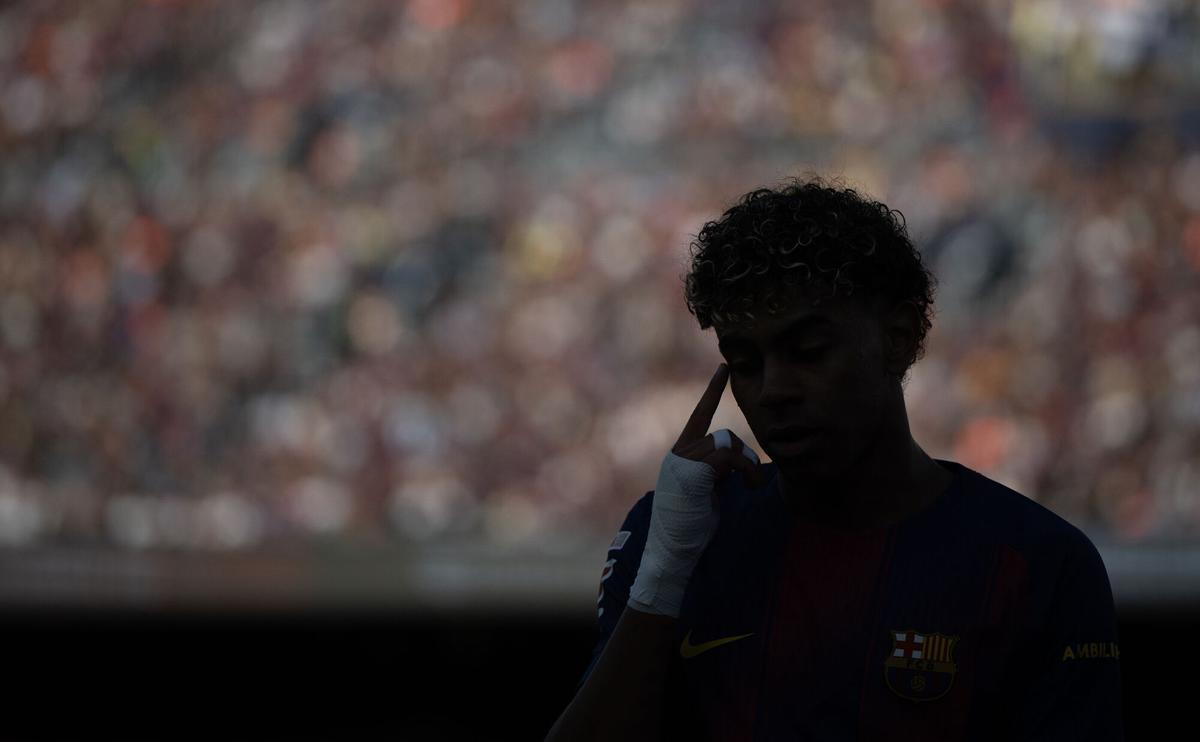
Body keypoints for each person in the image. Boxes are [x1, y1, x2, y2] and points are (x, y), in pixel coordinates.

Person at [545, 177, 1123, 741]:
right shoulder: (671, 537)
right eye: (745, 361)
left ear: (899, 338)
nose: (773, 389)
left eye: (809, 351)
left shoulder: (1039, 564)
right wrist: (662, 577)